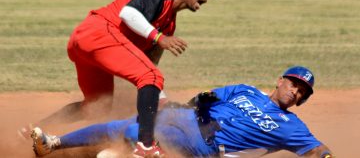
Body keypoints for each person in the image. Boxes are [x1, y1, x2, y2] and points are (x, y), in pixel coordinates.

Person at [19, 0, 221, 156]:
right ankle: (146, 146)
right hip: (98, 32)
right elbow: (128, 13)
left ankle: (34, 129)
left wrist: (162, 101)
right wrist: (159, 38)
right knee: (150, 77)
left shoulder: (169, 25)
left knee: (95, 106)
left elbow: (149, 66)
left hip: (87, 44)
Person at [30, 66, 334, 158]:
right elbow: (208, 97)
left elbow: (318, 150)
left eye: (302, 92)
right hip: (188, 118)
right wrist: (198, 99)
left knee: (138, 134)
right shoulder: (245, 90)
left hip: (206, 145)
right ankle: (53, 144)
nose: (296, 92)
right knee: (130, 124)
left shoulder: (290, 125)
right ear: (280, 80)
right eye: (294, 84)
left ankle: (142, 153)